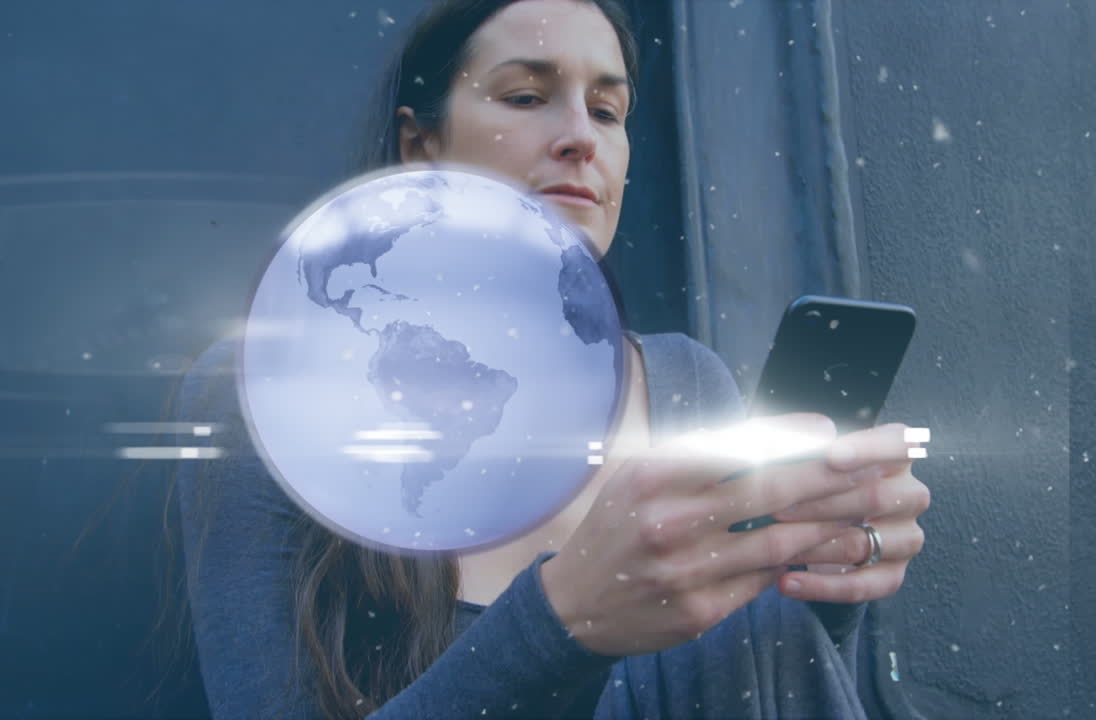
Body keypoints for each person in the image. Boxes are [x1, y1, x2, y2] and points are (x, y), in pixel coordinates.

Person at [173, 1, 931, 718]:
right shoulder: (270, 393)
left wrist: (820, 581)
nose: (581, 136)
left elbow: (744, 683)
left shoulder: (685, 383)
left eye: (608, 111)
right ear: (420, 145)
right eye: (526, 97)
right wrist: (566, 620)